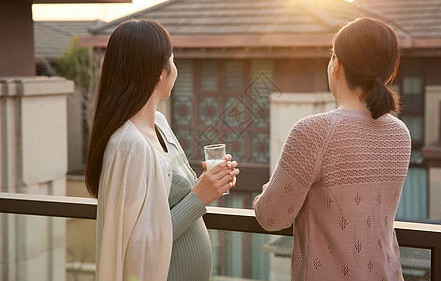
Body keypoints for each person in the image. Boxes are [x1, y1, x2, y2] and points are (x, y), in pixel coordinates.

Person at [253, 17, 411, 280]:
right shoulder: (400, 134)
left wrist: (263, 195)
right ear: (388, 72)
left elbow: (272, 217)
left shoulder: (313, 132)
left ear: (336, 64)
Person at [85, 19, 239, 281]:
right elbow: (135, 247)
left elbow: (171, 200)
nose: (176, 70)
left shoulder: (160, 124)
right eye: (173, 60)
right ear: (160, 71)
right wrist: (199, 197)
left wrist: (208, 183)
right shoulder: (128, 145)